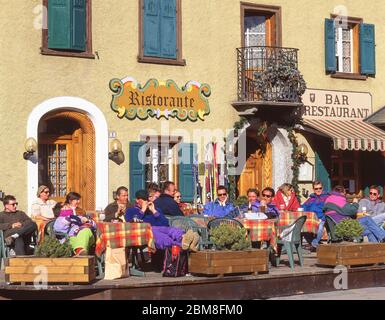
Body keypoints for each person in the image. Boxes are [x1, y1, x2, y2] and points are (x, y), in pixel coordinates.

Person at [125, 190, 199, 251]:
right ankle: (182, 244)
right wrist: (142, 210)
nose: (146, 201)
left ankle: (184, 237)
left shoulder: (154, 209)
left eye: (147, 199)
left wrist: (154, 211)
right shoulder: (131, 211)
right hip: (144, 232)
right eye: (144, 200)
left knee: (171, 230)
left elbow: (165, 223)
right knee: (160, 236)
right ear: (137, 200)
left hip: (159, 228)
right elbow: (132, 224)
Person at [301, 181, 330, 249]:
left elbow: (329, 210)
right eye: (316, 189)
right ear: (313, 189)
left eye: (320, 188)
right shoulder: (311, 198)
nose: (318, 190)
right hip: (311, 219)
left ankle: (314, 244)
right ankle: (315, 244)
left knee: (320, 228)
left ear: (322, 188)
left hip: (322, 218)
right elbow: (304, 207)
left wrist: (322, 218)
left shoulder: (326, 197)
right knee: (303, 228)